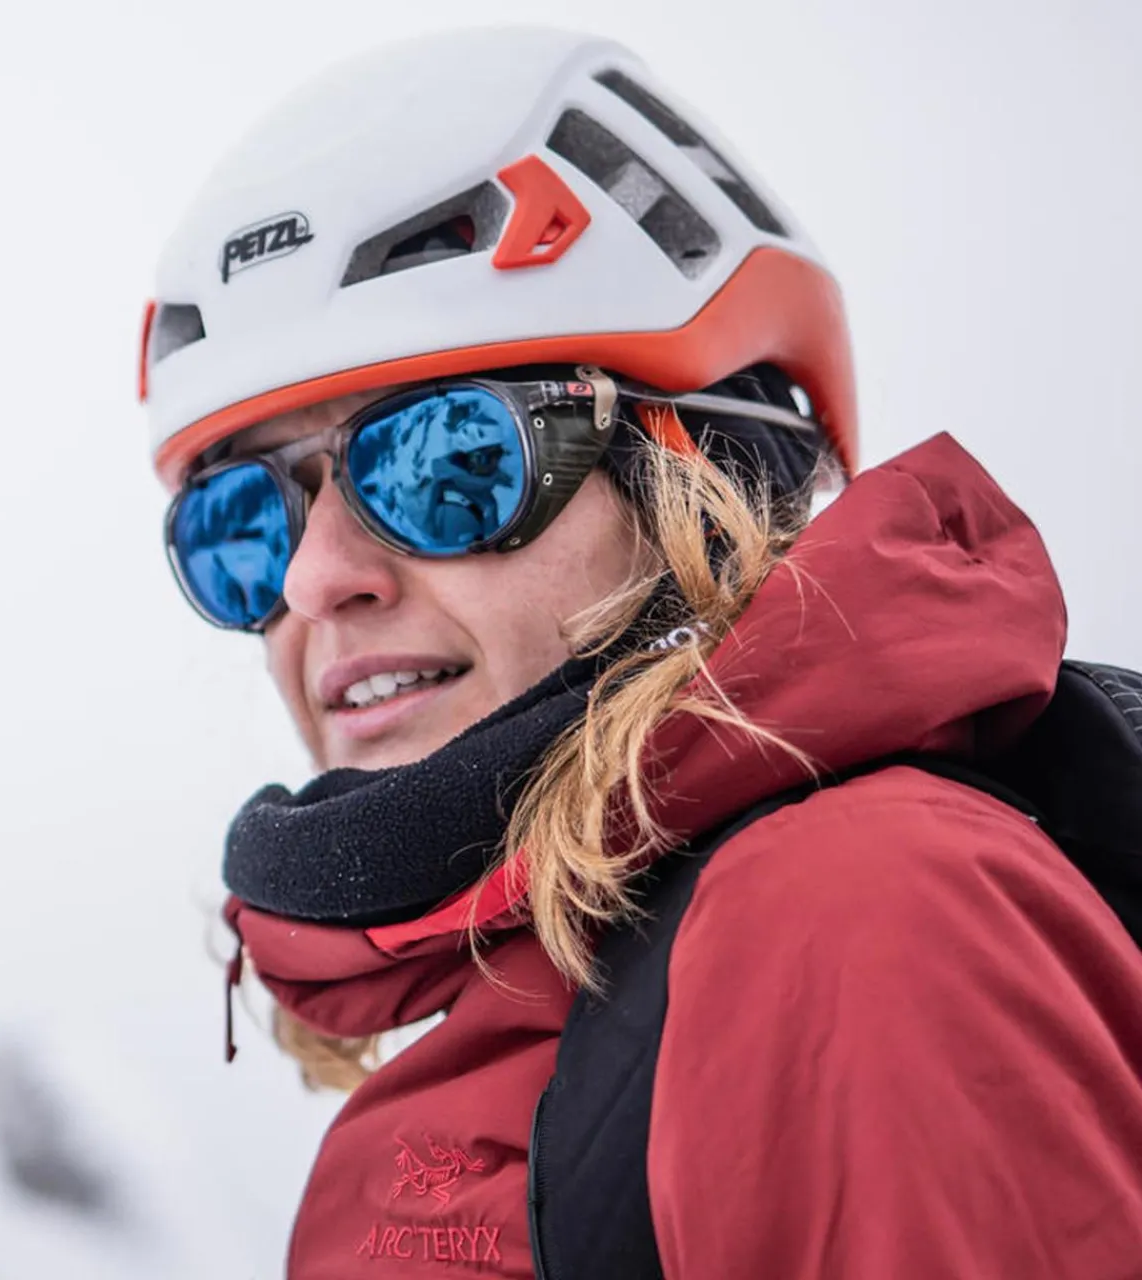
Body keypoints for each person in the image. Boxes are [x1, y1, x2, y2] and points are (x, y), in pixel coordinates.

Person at [140, 25, 1142, 1278]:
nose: (309, 578)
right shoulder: (557, 999)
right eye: (238, 522)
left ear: (697, 489)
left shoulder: (846, 913)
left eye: (445, 461)